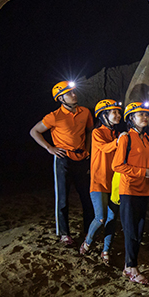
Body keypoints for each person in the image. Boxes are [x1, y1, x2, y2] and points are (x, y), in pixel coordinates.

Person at [29, 81, 94, 246]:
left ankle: (88, 230)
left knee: (86, 197)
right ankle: (65, 234)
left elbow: (89, 131)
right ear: (60, 98)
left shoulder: (85, 112)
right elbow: (34, 131)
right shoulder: (54, 116)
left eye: (74, 92)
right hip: (63, 159)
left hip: (81, 159)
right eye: (69, 93)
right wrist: (49, 148)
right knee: (62, 198)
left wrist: (87, 150)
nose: (74, 95)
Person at [112, 101, 149, 284]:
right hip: (129, 190)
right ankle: (132, 268)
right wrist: (140, 172)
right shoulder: (126, 138)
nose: (145, 117)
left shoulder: (148, 140)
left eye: (146, 115)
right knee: (130, 230)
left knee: (138, 231)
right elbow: (117, 165)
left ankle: (128, 266)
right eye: (140, 115)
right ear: (131, 118)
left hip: (144, 191)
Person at [80, 99, 126, 264]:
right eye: (114, 112)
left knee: (112, 218)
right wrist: (119, 141)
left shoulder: (116, 134)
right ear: (104, 115)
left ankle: (106, 251)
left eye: (118, 112)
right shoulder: (97, 133)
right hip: (99, 182)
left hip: (113, 183)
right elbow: (106, 148)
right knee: (101, 217)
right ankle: (87, 242)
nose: (118, 115)